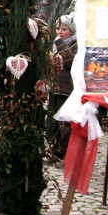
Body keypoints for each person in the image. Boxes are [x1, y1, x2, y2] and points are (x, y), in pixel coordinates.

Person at [47, 14, 77, 158]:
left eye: (64, 29)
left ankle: (65, 151)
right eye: (58, 28)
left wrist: (60, 45)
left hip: (66, 89)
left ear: (71, 31)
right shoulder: (55, 45)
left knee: (64, 122)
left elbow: (72, 62)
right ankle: (54, 149)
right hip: (55, 87)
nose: (60, 32)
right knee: (53, 120)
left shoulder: (74, 45)